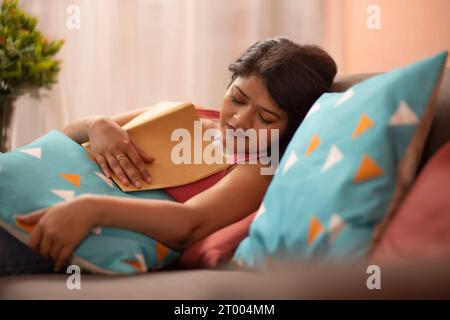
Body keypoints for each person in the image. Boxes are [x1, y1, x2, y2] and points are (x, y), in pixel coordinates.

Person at [0, 37, 337, 275]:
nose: (240, 120)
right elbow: (70, 133)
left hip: (65, 222)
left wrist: (90, 209)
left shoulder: (257, 169)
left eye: (265, 118)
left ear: (289, 128)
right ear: (230, 82)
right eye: (237, 98)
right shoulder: (188, 115)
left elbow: (188, 224)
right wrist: (97, 124)